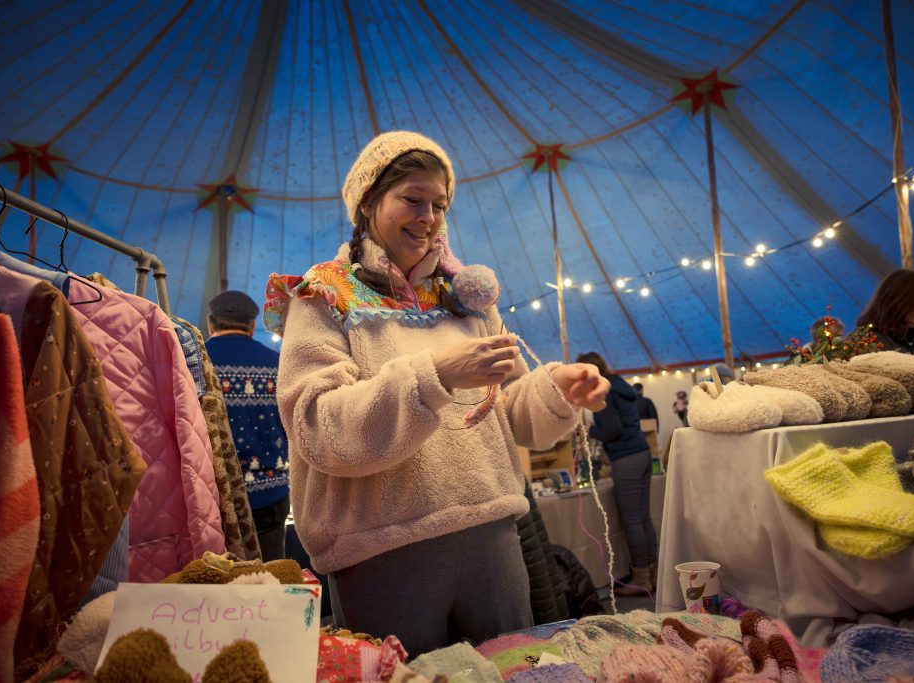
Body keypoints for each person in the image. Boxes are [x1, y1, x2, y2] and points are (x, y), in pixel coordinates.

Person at [265, 131, 609, 655]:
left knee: (512, 668)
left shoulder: (466, 300)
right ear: (367, 203)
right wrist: (434, 375)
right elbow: (317, 426)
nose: (427, 216)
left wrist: (554, 390)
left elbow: (504, 413)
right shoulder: (322, 295)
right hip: (382, 555)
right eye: (411, 199)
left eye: (439, 204)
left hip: (492, 540)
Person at [205, 290, 290, 562]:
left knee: (213, 580)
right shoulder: (279, 364)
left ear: (210, 323)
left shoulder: (193, 363)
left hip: (212, 495)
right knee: (268, 579)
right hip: (270, 493)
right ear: (252, 325)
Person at [576, 352, 658, 596]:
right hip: (642, 453)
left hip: (627, 458)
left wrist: (589, 430)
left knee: (632, 520)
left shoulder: (602, 392)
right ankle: (653, 572)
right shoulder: (621, 386)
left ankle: (641, 577)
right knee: (643, 517)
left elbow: (612, 430)